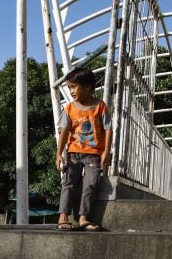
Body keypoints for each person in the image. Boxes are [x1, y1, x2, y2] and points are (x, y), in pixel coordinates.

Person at [55, 67, 112, 231]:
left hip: (94, 155)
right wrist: (59, 154)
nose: (71, 91)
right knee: (69, 182)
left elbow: (108, 129)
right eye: (69, 87)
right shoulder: (69, 108)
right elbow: (64, 132)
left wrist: (106, 152)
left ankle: (83, 217)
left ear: (87, 86)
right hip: (73, 153)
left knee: (91, 183)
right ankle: (63, 216)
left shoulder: (100, 106)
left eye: (74, 86)